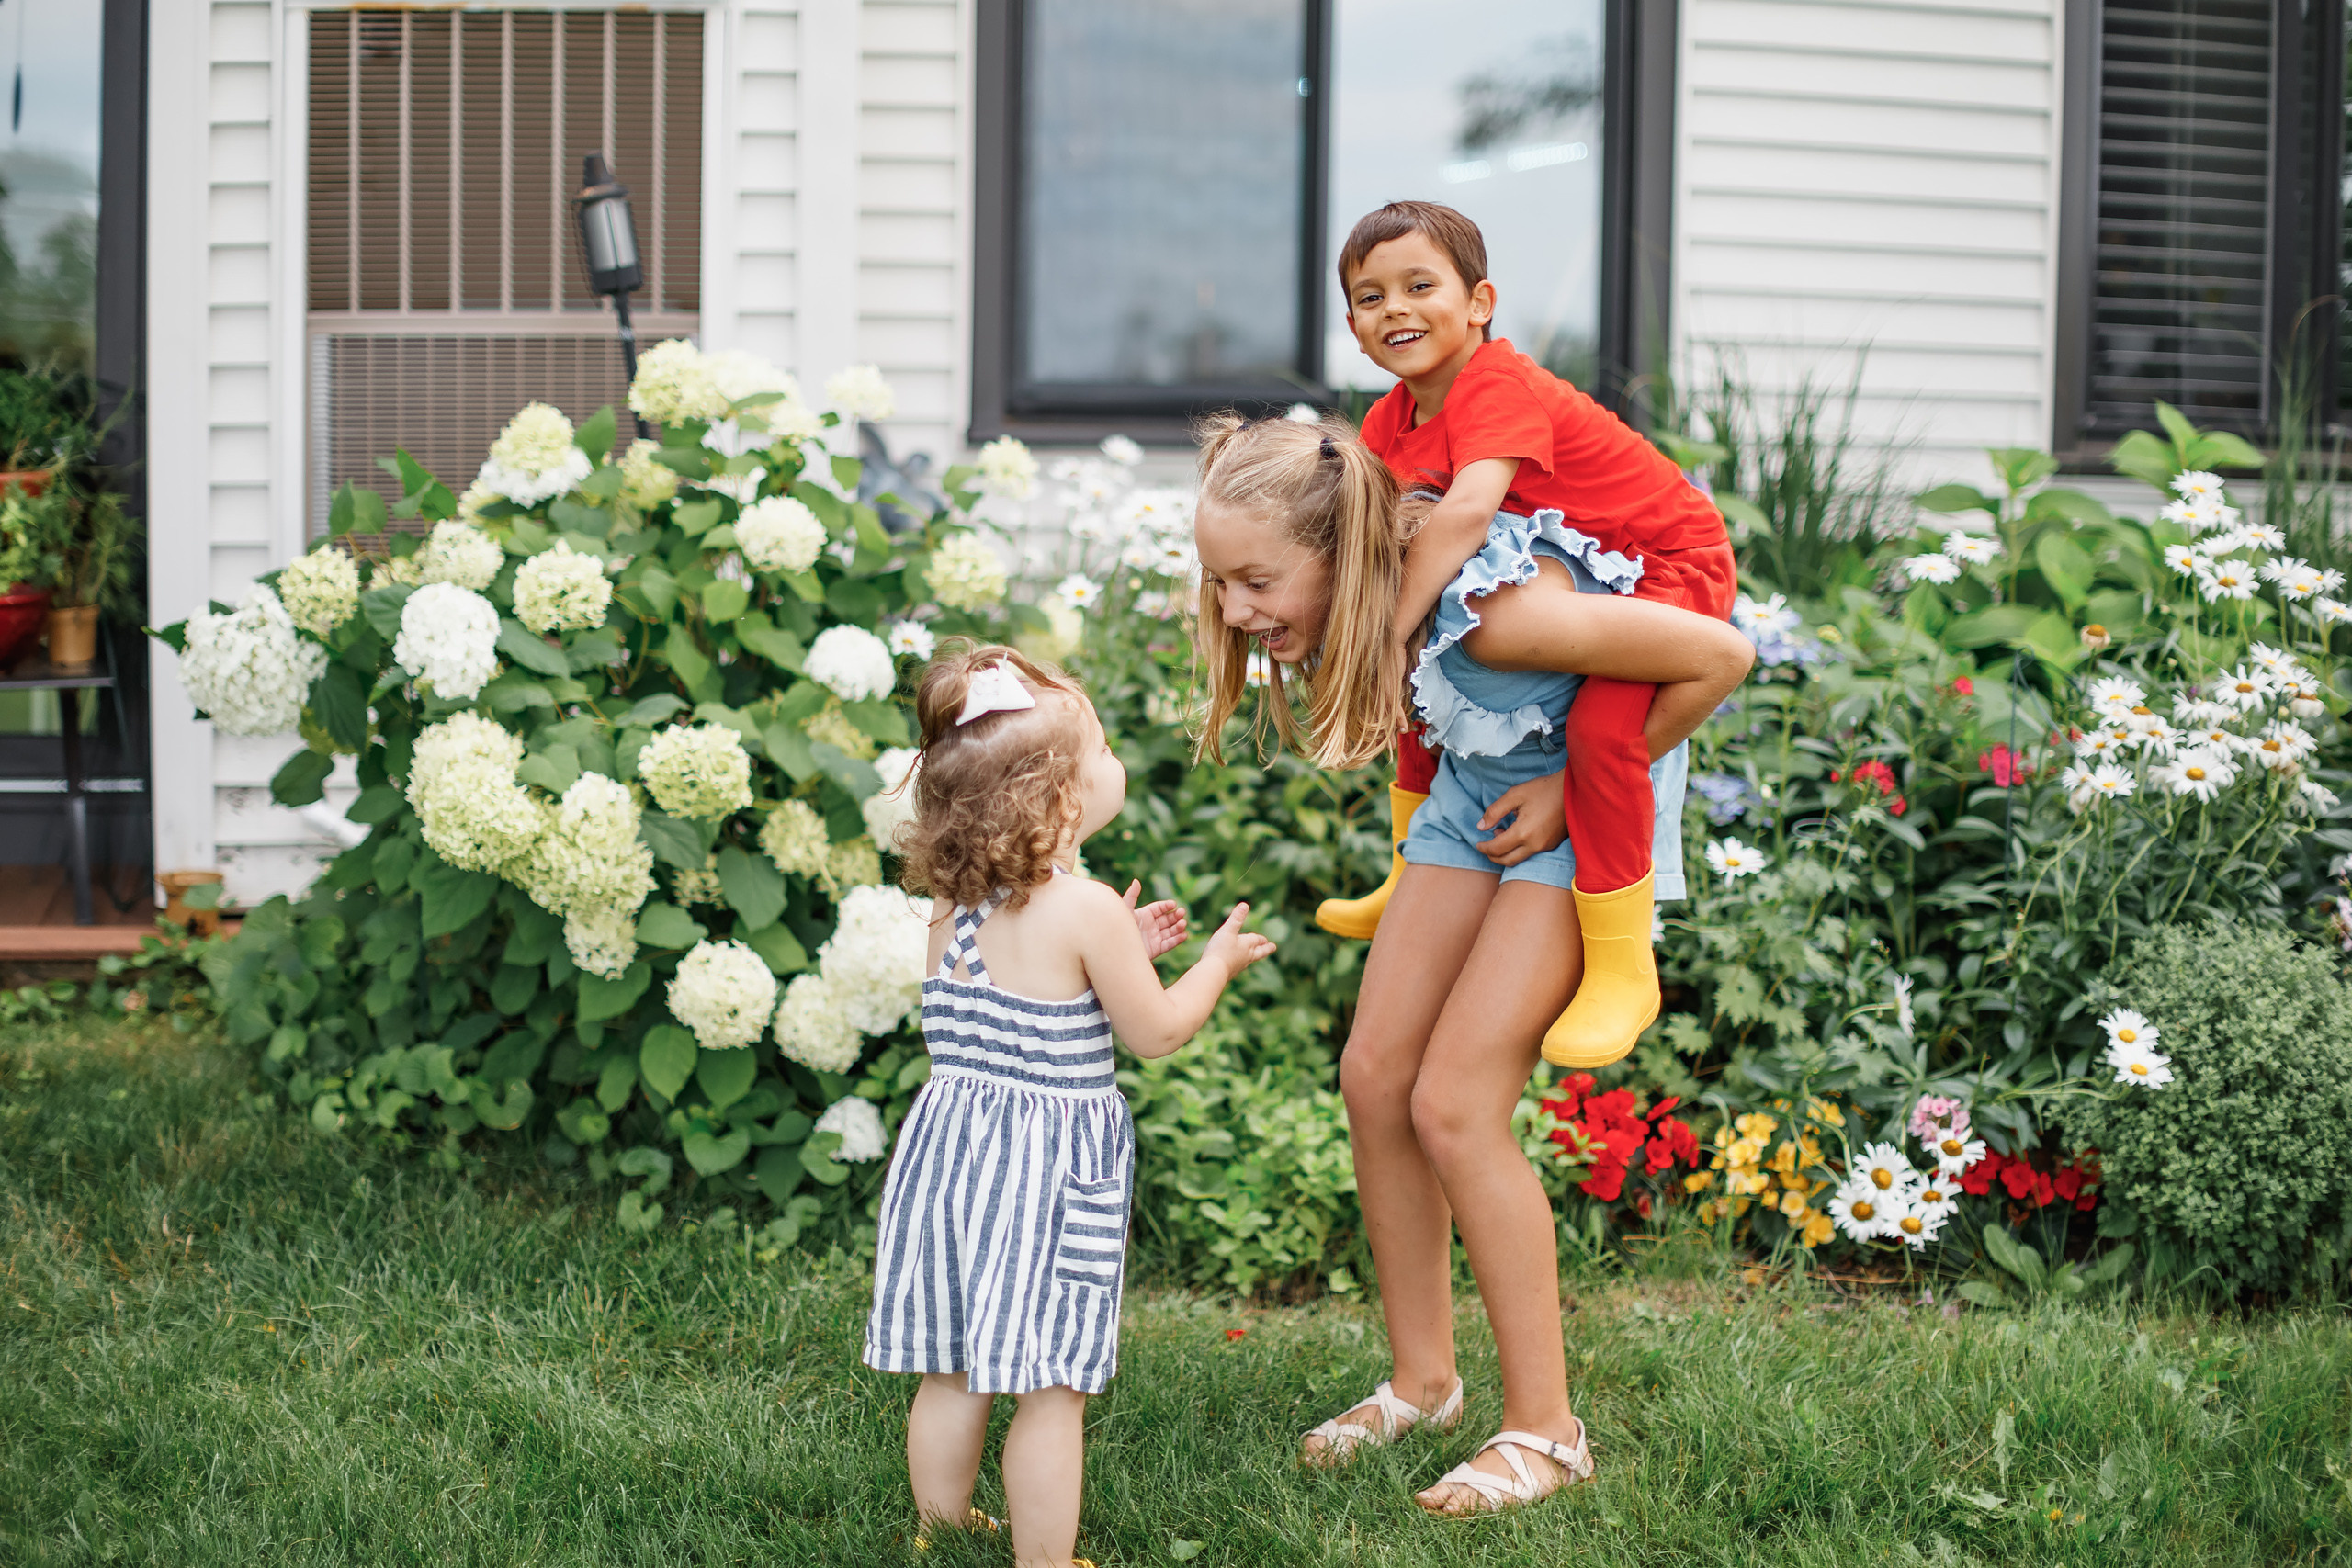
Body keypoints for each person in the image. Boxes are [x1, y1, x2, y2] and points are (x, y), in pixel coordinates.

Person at [1191, 415, 1750, 1513]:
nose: (1237, 613)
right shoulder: (1392, 596)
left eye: (1255, 581)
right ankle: (1423, 1383)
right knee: (1375, 1077)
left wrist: (1568, 792)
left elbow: (1720, 655)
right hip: (1476, 787)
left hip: (1578, 809)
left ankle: (1547, 1432)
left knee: (1454, 1104)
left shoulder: (1504, 616)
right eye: (1220, 585)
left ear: (1342, 555)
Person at [865, 642, 1275, 1568]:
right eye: (1099, 754)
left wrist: (1116, 948)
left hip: (955, 1153)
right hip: (1046, 1179)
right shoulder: (1081, 909)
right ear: (1060, 801)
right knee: (1050, 1383)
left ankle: (937, 1528)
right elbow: (1158, 1030)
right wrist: (1208, 965)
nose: (1110, 766)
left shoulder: (951, 901)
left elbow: (1012, 999)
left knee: (956, 1361)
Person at [1315, 199, 1741, 1070]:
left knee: (1602, 728)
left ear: (1480, 304)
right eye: (1369, 297)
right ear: (1353, 329)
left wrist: (1386, 635)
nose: (1394, 308)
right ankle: (1409, 864)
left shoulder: (1495, 384)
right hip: (1586, 573)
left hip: (1668, 565)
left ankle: (1626, 965)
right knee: (1426, 680)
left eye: (1419, 286)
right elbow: (1371, 533)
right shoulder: (1387, 420)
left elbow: (1470, 509)